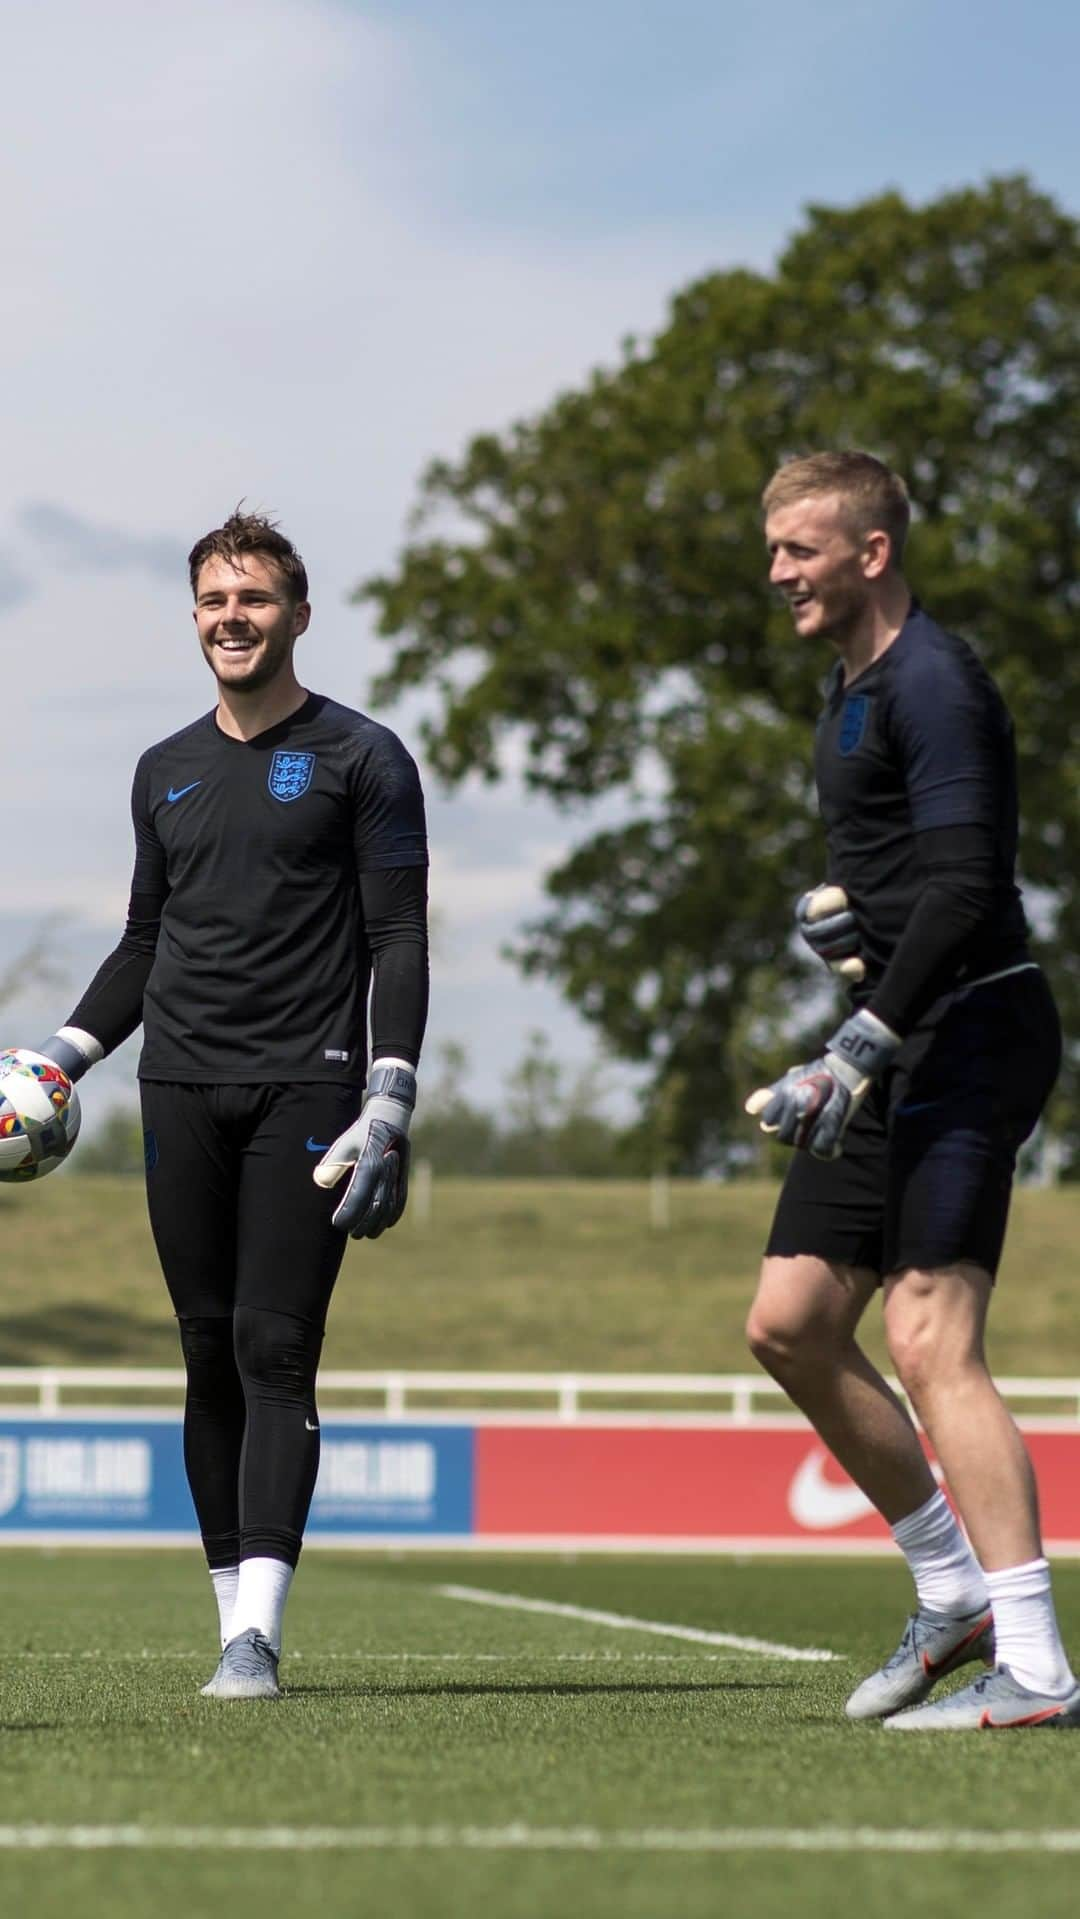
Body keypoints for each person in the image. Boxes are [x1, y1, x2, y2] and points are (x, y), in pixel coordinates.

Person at [31, 509, 428, 1699]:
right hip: (179, 1088)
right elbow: (145, 940)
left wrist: (390, 1093)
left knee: (274, 1345)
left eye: (252, 599)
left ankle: (260, 1630)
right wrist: (59, 1057)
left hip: (308, 1085)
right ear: (193, 617)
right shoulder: (163, 769)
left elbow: (398, 936)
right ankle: (226, 1625)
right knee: (206, 1348)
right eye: (212, 600)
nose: (230, 618)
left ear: (298, 615)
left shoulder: (365, 757)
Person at [744, 450, 1079, 1730]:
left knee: (933, 1337)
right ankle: (951, 1591)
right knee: (789, 1321)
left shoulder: (937, 681)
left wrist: (859, 1038)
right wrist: (850, 942)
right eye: (774, 549)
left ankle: (1040, 1670)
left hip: (973, 1034)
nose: (778, 572)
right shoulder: (848, 690)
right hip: (892, 1033)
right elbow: (901, 890)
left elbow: (966, 885)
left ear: (871, 551)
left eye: (801, 549)